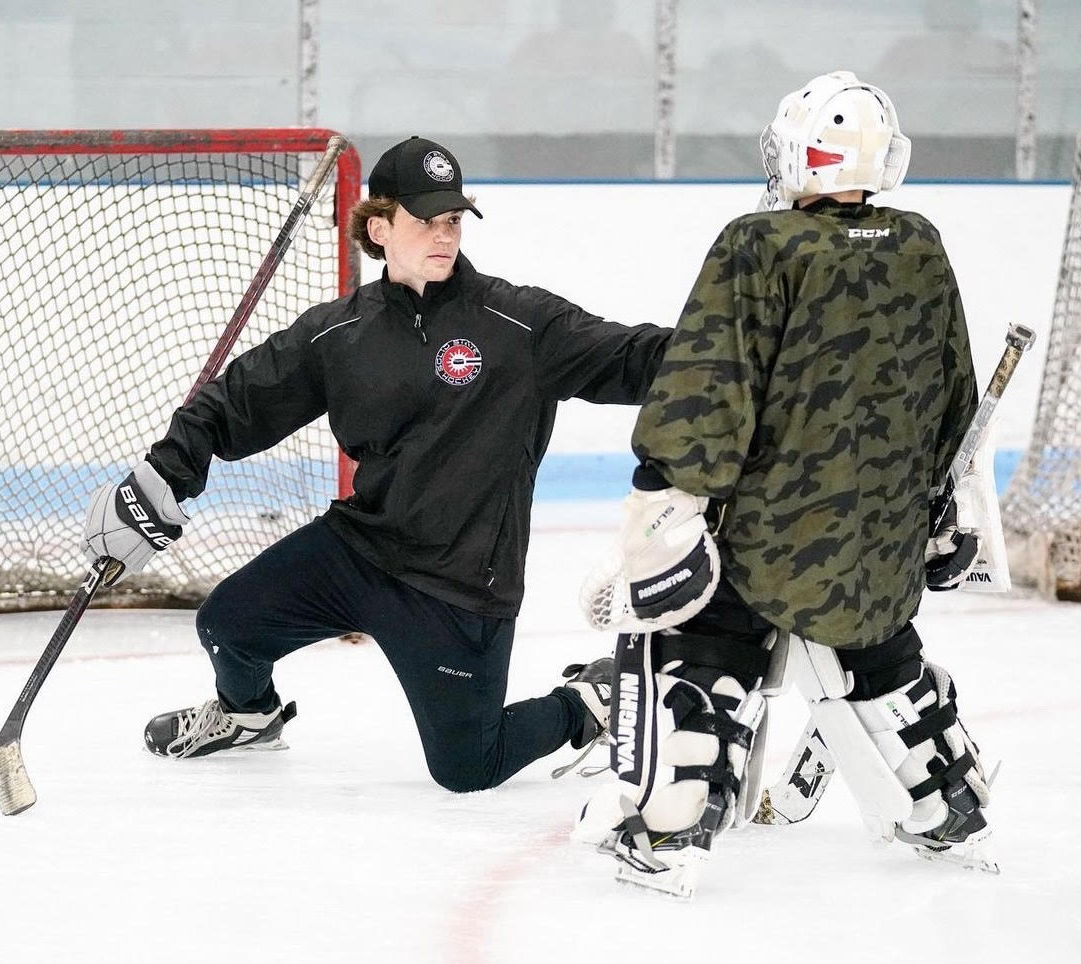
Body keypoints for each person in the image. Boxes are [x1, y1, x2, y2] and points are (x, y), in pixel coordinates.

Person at [81, 136, 668, 793]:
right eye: (426, 220)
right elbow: (235, 401)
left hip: (458, 582)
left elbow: (635, 355)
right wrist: (162, 475)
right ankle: (249, 715)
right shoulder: (340, 334)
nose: (444, 235)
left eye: (452, 220)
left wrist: (733, 347)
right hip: (359, 551)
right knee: (227, 624)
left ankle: (589, 702)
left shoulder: (519, 325)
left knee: (468, 767)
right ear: (380, 227)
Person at [574, 71, 996, 896]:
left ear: (804, 156)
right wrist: (942, 514)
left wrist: (664, 500)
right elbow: (953, 398)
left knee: (704, 652)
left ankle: (672, 827)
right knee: (880, 658)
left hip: (765, 537)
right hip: (878, 542)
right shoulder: (921, 244)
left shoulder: (757, 244)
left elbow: (707, 389)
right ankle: (949, 795)